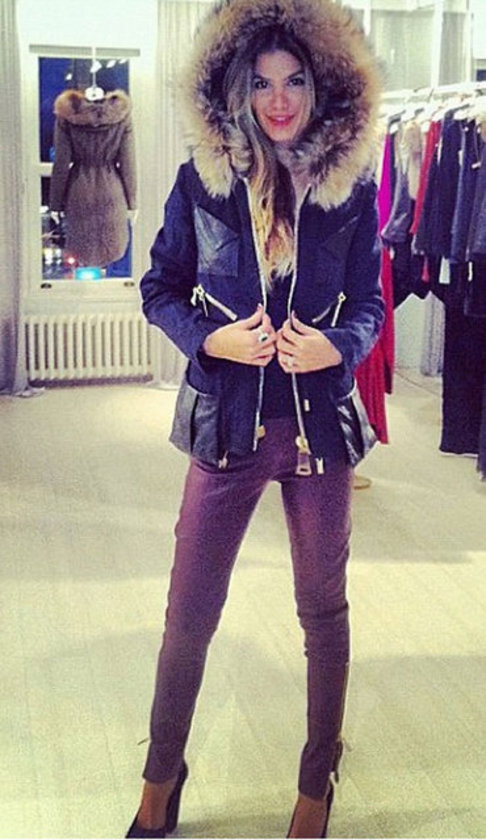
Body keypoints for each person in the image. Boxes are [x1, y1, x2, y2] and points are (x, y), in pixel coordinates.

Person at [126, 0, 383, 837]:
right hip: (227, 425)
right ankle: (161, 777)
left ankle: (317, 784)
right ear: (236, 90)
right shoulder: (203, 182)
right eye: (262, 83)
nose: (278, 100)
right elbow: (159, 288)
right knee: (189, 616)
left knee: (323, 612)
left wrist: (337, 347)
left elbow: (371, 304)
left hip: (320, 433)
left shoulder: (351, 192)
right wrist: (213, 341)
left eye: (295, 81)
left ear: (322, 86)